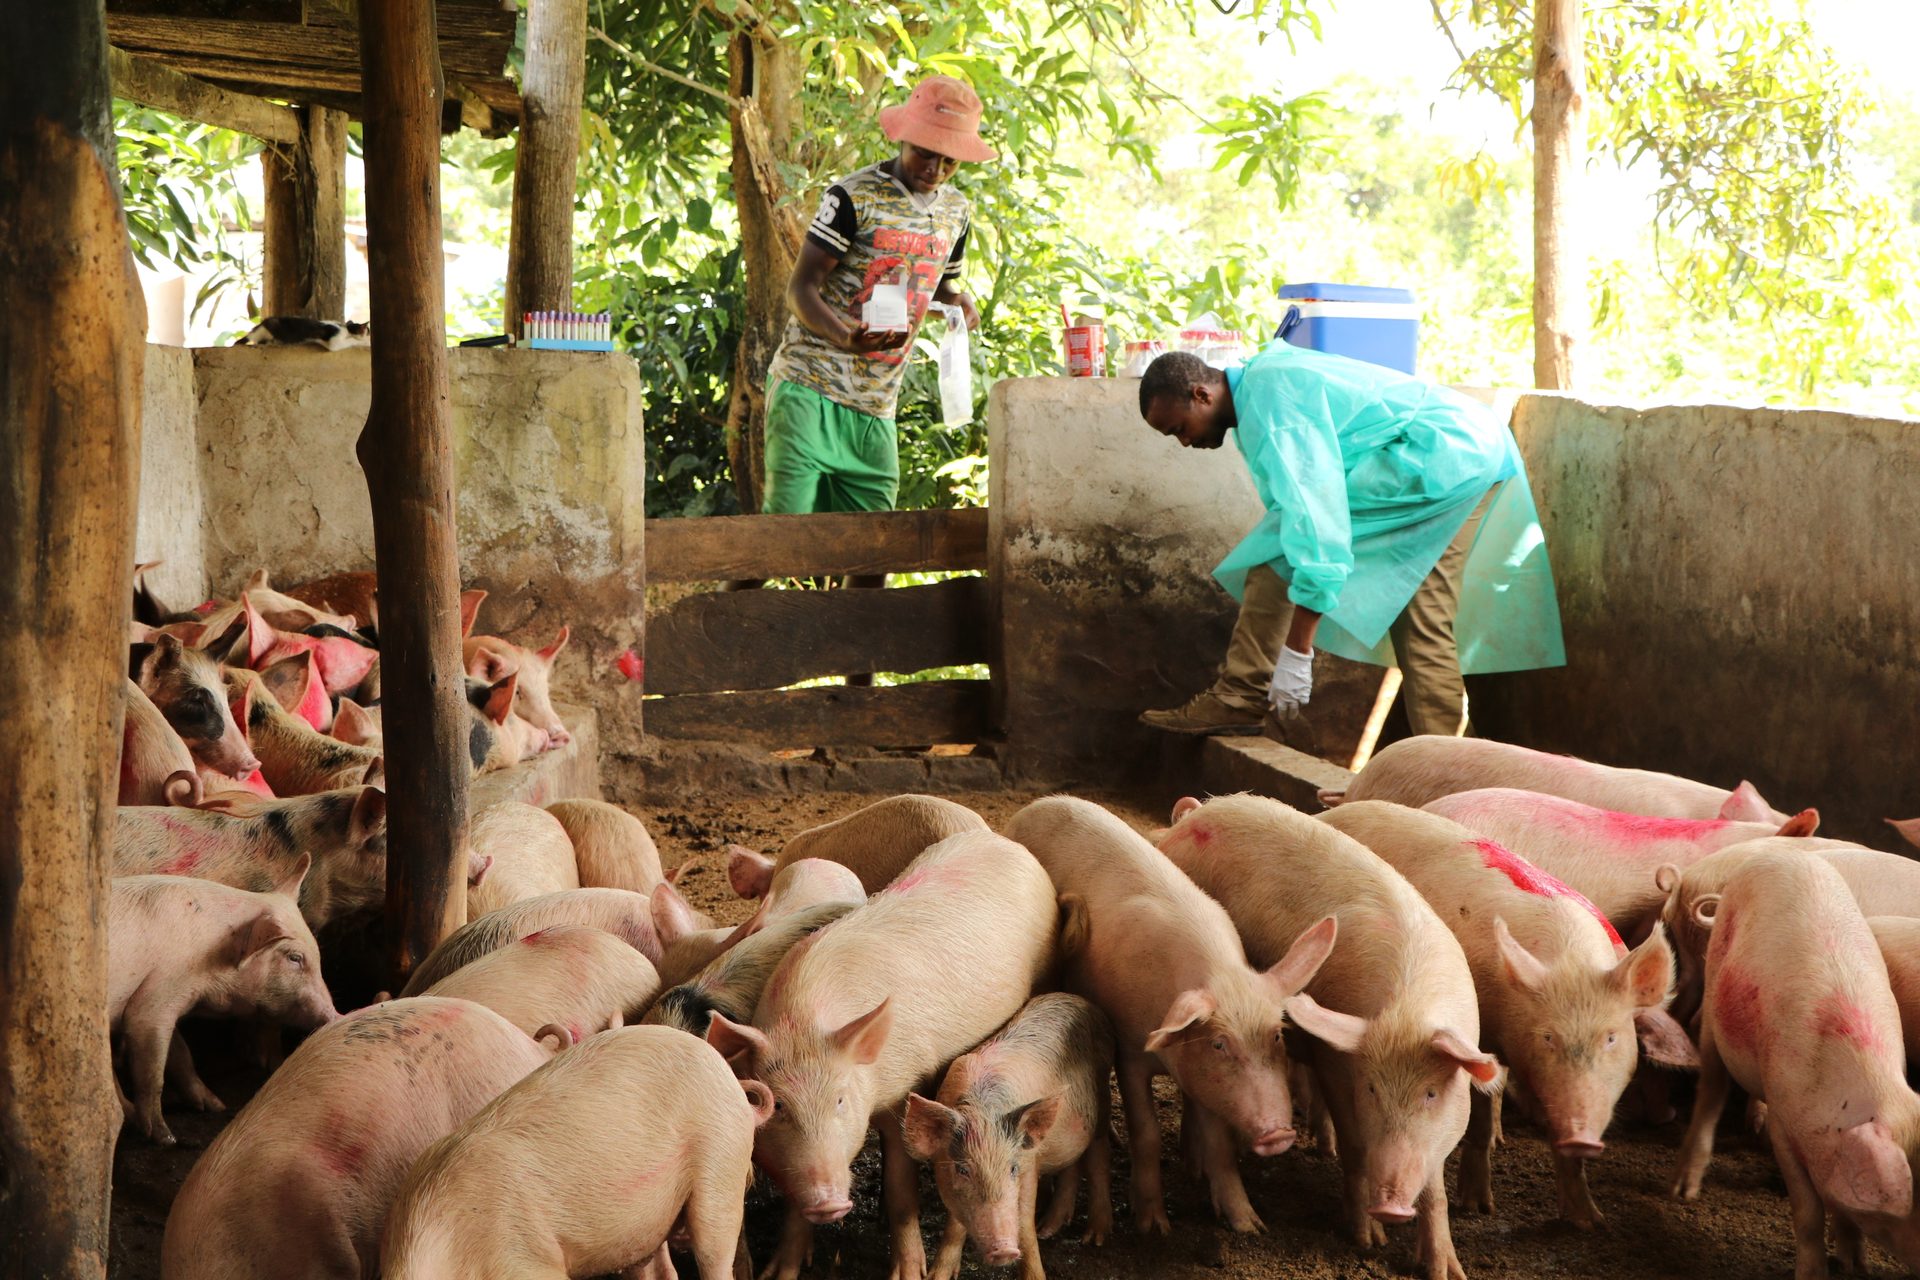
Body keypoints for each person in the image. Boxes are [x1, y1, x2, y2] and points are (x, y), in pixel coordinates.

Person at [1135, 344, 1565, 737]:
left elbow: (1317, 526)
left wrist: (1298, 653)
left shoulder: (1272, 405)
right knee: (1418, 614)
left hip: (1440, 456)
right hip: (1469, 447)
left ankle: (1242, 697)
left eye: (1179, 429)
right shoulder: (1260, 384)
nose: (1185, 441)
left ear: (1202, 395)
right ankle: (1446, 762)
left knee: (1301, 559)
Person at [761, 74, 991, 516]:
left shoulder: (956, 212)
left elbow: (941, 283)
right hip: (809, 387)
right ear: (905, 136)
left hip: (877, 406)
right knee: (778, 540)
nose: (935, 170)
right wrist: (846, 337)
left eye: (949, 162)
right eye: (925, 153)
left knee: (876, 549)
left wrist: (955, 300)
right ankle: (728, 591)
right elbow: (800, 289)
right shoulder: (852, 197)